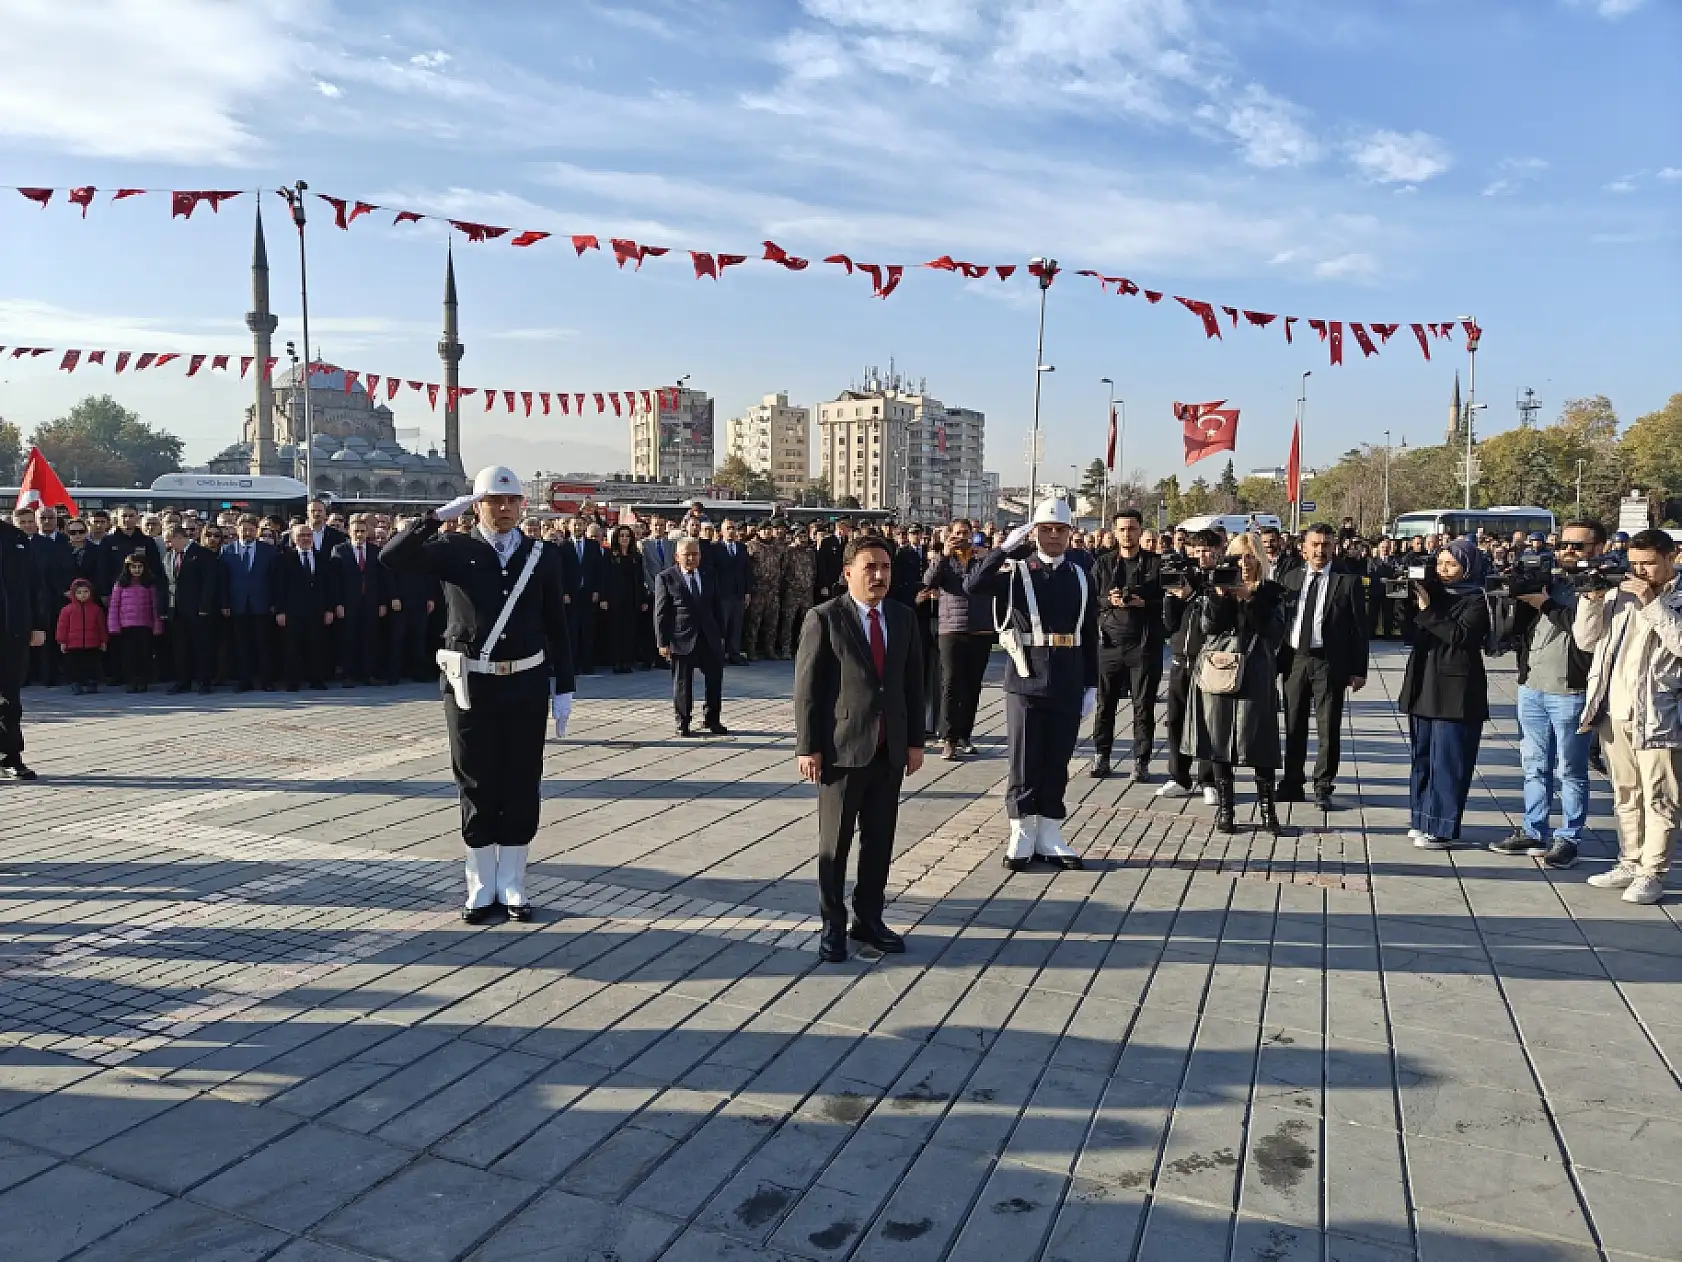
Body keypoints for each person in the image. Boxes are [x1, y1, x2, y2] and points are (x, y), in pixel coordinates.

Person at [381, 466, 576, 923]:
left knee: (522, 778)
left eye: (511, 501)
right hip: (469, 684)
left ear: (522, 506)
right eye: (494, 501)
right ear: (477, 506)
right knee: (475, 778)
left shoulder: (542, 555)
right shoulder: (453, 548)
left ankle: (512, 881)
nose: (504, 509)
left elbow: (557, 624)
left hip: (525, 681)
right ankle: (481, 882)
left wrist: (564, 685)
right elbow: (392, 557)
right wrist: (435, 518)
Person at [795, 533, 926, 962]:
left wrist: (915, 741)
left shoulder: (903, 618)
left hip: (889, 750)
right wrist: (808, 747)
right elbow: (808, 690)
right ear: (848, 572)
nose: (879, 575)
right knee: (834, 846)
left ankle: (868, 919)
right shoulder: (824, 618)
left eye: (885, 567)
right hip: (841, 751)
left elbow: (913, 684)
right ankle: (832, 924)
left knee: (879, 842)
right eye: (870, 567)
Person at [967, 499, 1098, 871]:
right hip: (1026, 676)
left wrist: (1091, 683)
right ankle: (1021, 830)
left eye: (1060, 530)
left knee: (1058, 759)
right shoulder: (1016, 571)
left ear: (1070, 534)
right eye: (1046, 529)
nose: (1053, 536)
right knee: (1024, 759)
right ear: (1035, 532)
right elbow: (973, 585)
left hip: (1068, 675)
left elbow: (1089, 632)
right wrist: (1003, 549)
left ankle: (1050, 832)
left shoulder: (1080, 575)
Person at [1573, 528, 1682, 906]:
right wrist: (1591, 600)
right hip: (1613, 710)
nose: (1640, 571)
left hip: (1659, 714)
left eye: (1648, 564)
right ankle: (1630, 861)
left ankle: (1653, 873)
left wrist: (1652, 603)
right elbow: (1586, 641)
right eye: (1634, 564)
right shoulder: (1619, 593)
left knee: (1660, 797)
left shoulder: (1676, 597)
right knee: (1625, 793)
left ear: (1672, 557)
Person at [1488, 521, 1602, 869]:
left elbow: (1584, 631)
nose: (1568, 550)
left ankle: (1568, 837)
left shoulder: (1600, 587)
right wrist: (1521, 591)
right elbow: (1516, 627)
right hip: (1532, 686)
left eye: (1578, 546)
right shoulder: (1548, 579)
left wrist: (1544, 602)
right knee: (1534, 766)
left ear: (1598, 549)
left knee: (1570, 769)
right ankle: (1533, 830)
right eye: (1563, 544)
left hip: (1572, 689)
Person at [1183, 535, 1288, 833]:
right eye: (1238, 557)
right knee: (1218, 740)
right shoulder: (1215, 588)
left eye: (1250, 556)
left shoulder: (1272, 592)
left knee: (1260, 740)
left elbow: (1273, 632)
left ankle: (1267, 810)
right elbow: (1208, 627)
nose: (1244, 563)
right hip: (1219, 671)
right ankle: (1226, 809)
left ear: (1260, 559)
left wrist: (1248, 598)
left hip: (1256, 672)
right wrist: (1221, 594)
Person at [1399, 537, 1492, 850]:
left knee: (1449, 761)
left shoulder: (1477, 598)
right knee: (1422, 757)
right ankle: (1421, 817)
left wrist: (1428, 610)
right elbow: (1409, 633)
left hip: (1456, 689)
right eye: (1440, 563)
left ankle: (1442, 828)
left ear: (1467, 567)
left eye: (1451, 564)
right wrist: (1409, 603)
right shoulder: (1432, 593)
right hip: (1423, 683)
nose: (1443, 570)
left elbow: (1460, 636)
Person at [1275, 523, 1369, 809]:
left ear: (1334, 547)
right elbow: (1280, 621)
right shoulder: (1290, 579)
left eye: (1326, 545)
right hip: (1295, 661)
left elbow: (1359, 629)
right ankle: (1292, 781)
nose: (1320, 550)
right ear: (1303, 548)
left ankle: (1323, 785)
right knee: (1293, 725)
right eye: (1314, 544)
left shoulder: (1347, 581)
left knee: (1328, 728)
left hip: (1329, 662)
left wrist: (1359, 669)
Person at [1089, 509, 1165, 781]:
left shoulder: (1155, 564)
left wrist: (1144, 602)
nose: (1127, 534)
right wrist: (1109, 601)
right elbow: (1091, 599)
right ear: (1114, 532)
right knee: (1105, 704)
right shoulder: (1104, 564)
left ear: (1140, 530)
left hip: (1144, 644)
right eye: (1122, 529)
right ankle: (1101, 755)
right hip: (1110, 643)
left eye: (1132, 528)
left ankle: (1141, 761)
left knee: (1143, 706)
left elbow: (1168, 601)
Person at [1156, 530, 1223, 802]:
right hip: (1180, 658)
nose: (1202, 556)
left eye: (1207, 551)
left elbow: (1216, 619)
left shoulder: (1221, 579)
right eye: (1197, 551)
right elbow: (1169, 624)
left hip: (1208, 660)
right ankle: (1178, 776)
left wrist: (1193, 594)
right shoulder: (1186, 575)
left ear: (1218, 551)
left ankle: (1209, 780)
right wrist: (1173, 596)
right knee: (1176, 720)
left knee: (1208, 722)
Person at [924, 522, 995, 760]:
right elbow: (928, 581)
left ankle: (965, 734)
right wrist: (943, 555)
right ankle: (949, 737)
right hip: (952, 629)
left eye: (965, 534)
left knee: (973, 684)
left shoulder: (980, 559)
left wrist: (987, 557)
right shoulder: (945, 560)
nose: (961, 538)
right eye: (957, 534)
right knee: (951, 682)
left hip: (980, 628)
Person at [654, 538, 728, 737]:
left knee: (714, 680)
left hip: (709, 636)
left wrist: (721, 634)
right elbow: (661, 613)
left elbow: (717, 606)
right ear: (677, 556)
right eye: (687, 555)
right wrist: (662, 642)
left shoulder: (709, 574)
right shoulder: (666, 578)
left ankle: (712, 719)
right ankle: (683, 721)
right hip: (681, 638)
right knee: (682, 683)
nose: (691, 559)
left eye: (695, 554)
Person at [0, 513, 48, 779]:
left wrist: (38, 624)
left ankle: (10, 756)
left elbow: (35, 584)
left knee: (10, 699)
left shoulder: (15, 537)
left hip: (13, 630)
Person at [165, 525, 227, 694]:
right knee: (180, 648)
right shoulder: (169, 556)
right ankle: (183, 681)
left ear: (179, 537)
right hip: (176, 610)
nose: (168, 545)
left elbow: (209, 583)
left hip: (198, 609)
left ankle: (204, 681)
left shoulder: (203, 554)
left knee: (202, 647)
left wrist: (205, 606)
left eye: (170, 541)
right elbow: (168, 583)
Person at [220, 515, 279, 691]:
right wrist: (225, 604)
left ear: (257, 531)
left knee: (263, 644)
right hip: (237, 604)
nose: (247, 533)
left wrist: (274, 603)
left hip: (261, 604)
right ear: (237, 529)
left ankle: (266, 681)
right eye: (244, 529)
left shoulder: (268, 550)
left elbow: (274, 579)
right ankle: (244, 681)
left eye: (251, 530)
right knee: (241, 645)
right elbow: (223, 581)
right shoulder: (227, 550)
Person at [275, 523, 336, 691]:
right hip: (292, 611)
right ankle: (293, 681)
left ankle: (317, 679)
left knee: (316, 646)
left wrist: (329, 609)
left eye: (308, 535)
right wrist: (280, 611)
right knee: (292, 648)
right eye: (301, 535)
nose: (305, 538)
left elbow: (329, 586)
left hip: (317, 611)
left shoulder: (322, 558)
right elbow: (279, 587)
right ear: (294, 539)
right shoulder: (284, 559)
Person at [330, 517, 390, 686]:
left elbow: (382, 579)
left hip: (371, 602)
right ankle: (349, 675)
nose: (359, 534)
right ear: (349, 532)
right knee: (348, 638)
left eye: (362, 531)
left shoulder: (375, 551)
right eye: (356, 531)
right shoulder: (339, 550)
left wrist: (382, 603)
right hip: (348, 602)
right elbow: (334, 580)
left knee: (370, 638)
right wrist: (337, 604)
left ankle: (369, 674)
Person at [107, 551, 165, 693]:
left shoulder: (149, 584)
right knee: (128, 655)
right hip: (126, 626)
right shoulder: (121, 584)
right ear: (128, 568)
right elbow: (114, 605)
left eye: (140, 566)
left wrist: (157, 625)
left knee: (144, 654)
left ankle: (143, 680)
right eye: (133, 567)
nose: (137, 570)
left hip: (145, 625)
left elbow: (155, 606)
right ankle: (131, 680)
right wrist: (113, 626)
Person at [30, 507, 74, 688]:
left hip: (65, 597)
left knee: (64, 635)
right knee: (44, 636)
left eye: (51, 517)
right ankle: (46, 675)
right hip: (41, 598)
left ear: (57, 520)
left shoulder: (66, 541)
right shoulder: (31, 542)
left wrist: (67, 589)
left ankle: (66, 673)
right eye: (43, 518)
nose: (47, 521)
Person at [600, 525, 649, 673]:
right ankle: (616, 662)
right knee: (615, 631)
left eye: (627, 536)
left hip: (631, 598)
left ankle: (627, 661)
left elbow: (640, 579)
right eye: (621, 535)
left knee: (629, 631)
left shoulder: (636, 556)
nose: (624, 538)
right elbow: (604, 578)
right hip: (614, 598)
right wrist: (603, 598)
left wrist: (643, 600)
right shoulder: (609, 555)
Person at [560, 517, 606, 675]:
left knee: (588, 630)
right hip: (571, 594)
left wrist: (597, 590)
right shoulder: (563, 546)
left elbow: (599, 570)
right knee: (572, 631)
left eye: (580, 524)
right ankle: (573, 665)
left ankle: (587, 664)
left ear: (585, 526)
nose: (577, 527)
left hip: (589, 593)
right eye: (575, 525)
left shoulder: (593, 545)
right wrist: (564, 592)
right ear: (569, 526)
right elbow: (560, 571)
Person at [56, 577, 107, 695]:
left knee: (92, 664)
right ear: (73, 594)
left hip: (92, 643)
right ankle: (76, 683)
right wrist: (62, 641)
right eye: (79, 592)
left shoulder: (96, 609)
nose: (83, 595)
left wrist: (103, 641)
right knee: (75, 665)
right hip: (73, 644)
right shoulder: (66, 610)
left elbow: (101, 627)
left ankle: (92, 682)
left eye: (85, 592)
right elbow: (62, 627)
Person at [712, 519, 753, 665]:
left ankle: (734, 654)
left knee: (736, 625)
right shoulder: (715, 548)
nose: (731, 531)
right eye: (728, 528)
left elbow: (747, 570)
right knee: (721, 625)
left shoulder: (742, 548)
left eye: (733, 528)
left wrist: (747, 592)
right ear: (721, 531)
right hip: (722, 594)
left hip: (738, 593)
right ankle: (719, 654)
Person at [744, 525, 785, 661]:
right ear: (759, 531)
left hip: (773, 590)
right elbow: (747, 568)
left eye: (769, 529)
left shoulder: (778, 546)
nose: (767, 532)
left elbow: (783, 565)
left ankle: (769, 649)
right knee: (754, 622)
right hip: (758, 590)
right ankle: (751, 650)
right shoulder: (750, 546)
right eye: (764, 529)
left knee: (772, 622)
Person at [778, 525, 816, 660]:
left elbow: (814, 570)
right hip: (792, 592)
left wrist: (810, 584)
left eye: (805, 536)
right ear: (795, 538)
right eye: (800, 537)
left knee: (807, 622)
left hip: (807, 592)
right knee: (788, 622)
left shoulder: (810, 552)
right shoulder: (789, 551)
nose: (803, 539)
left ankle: (804, 648)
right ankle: (786, 649)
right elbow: (783, 571)